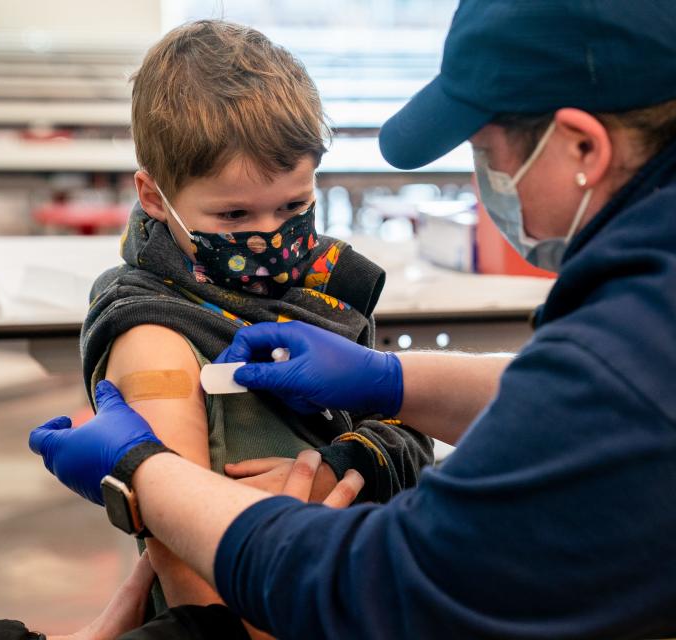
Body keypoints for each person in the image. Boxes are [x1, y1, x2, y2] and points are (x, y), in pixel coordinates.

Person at [29, 0, 676, 637]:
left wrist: (142, 469)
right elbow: (605, 401)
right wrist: (392, 383)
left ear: (583, 145)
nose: (485, 181)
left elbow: (386, 592)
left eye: (486, 153)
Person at [80, 18, 432, 630]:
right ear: (154, 196)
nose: (270, 237)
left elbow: (412, 432)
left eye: (294, 206)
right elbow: (187, 568)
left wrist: (344, 463)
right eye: (235, 213)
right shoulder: (153, 333)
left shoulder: (322, 287)